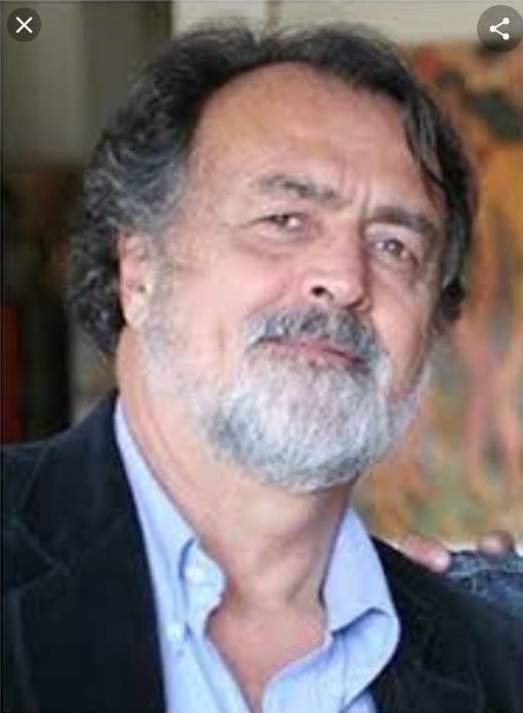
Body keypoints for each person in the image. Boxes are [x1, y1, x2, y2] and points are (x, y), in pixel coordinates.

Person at [2, 23, 522, 713]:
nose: (345, 278)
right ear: (139, 270)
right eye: (285, 219)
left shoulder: (497, 661)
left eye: (395, 246)